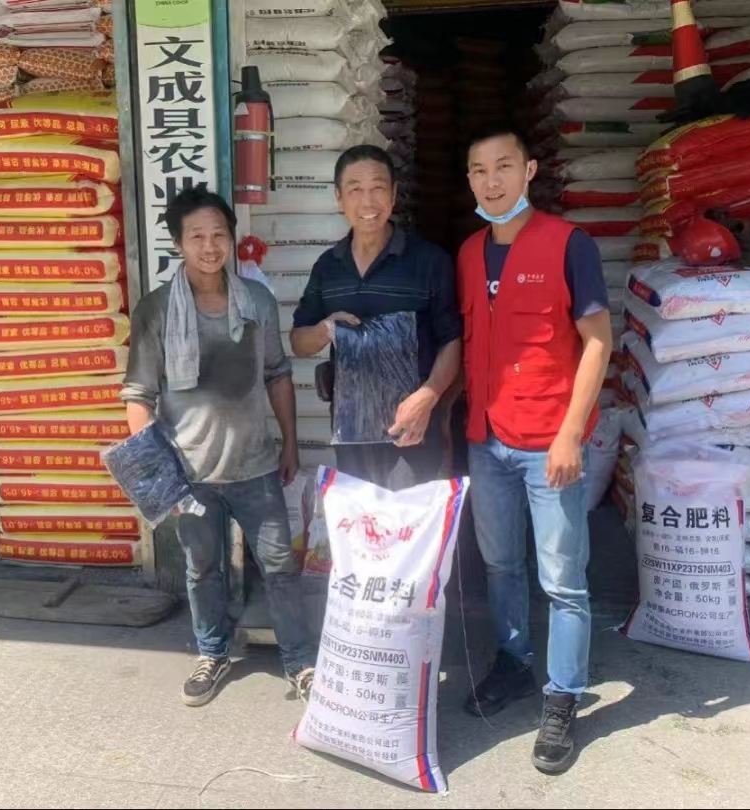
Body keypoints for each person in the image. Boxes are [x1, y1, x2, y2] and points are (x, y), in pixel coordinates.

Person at [121, 188, 317, 708]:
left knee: (280, 566)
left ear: (231, 239)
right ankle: (212, 652)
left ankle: (300, 662)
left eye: (218, 235)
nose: (209, 247)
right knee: (202, 569)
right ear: (178, 243)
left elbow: (276, 373)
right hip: (190, 474)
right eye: (197, 237)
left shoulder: (256, 302)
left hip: (255, 465)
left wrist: (290, 443)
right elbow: (139, 396)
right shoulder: (155, 311)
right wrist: (155, 478)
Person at [457, 126, 613, 774]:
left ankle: (563, 697)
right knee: (500, 565)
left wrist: (571, 432)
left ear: (529, 171)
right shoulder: (469, 253)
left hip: (550, 441)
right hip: (487, 439)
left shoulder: (569, 244)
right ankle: (515, 663)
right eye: (479, 170)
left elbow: (598, 341)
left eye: (503, 166)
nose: (491, 181)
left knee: (563, 580)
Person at [290, 145, 462, 490]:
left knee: (409, 520)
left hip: (414, 430)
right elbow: (299, 342)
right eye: (355, 189)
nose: (368, 202)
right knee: (362, 521)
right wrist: (326, 330)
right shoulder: (328, 266)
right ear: (339, 197)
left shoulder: (429, 261)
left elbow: (452, 341)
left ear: (394, 194)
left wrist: (427, 397)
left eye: (378, 188)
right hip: (352, 432)